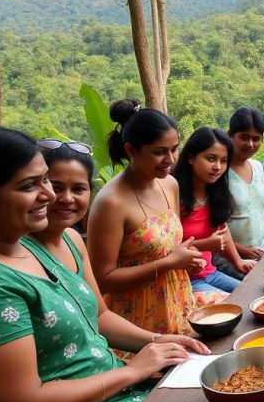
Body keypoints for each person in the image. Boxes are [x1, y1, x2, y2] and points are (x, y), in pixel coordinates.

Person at [0, 126, 200, 402]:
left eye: (44, 179)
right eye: (29, 186)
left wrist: (159, 342)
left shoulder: (27, 245)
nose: (49, 196)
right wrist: (132, 371)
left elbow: (98, 317)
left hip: (110, 401)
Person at [87, 99, 203, 335]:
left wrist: (186, 258)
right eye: (159, 152)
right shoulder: (111, 202)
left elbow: (168, 247)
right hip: (139, 320)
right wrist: (170, 263)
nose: (170, 160)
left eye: (174, 149)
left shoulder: (169, 184)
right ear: (131, 150)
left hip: (179, 302)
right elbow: (102, 279)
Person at [172, 127, 254, 293]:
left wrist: (239, 262)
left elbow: (223, 232)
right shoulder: (173, 195)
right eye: (211, 159)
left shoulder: (215, 193)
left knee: (252, 294)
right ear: (191, 157)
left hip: (211, 273)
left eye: (223, 161)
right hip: (185, 281)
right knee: (238, 308)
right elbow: (166, 250)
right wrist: (205, 245)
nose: (217, 167)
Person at [225, 107, 264, 273]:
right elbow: (216, 226)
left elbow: (259, 208)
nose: (250, 144)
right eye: (244, 137)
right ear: (230, 135)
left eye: (256, 139)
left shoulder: (257, 167)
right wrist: (243, 250)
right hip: (233, 257)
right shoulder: (220, 173)